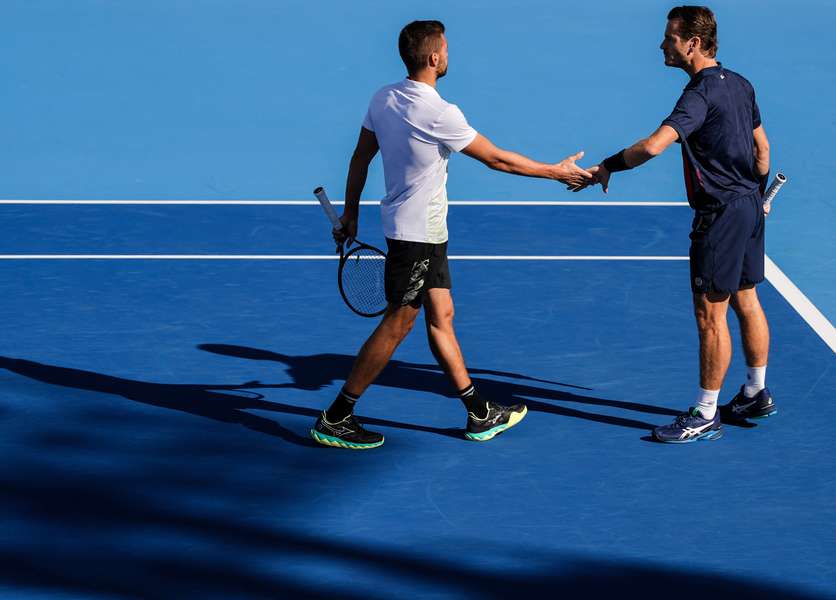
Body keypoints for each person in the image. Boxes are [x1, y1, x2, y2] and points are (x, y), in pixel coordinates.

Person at [311, 19, 593, 449]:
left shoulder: (383, 98)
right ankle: (337, 415)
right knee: (399, 322)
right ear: (434, 58)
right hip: (416, 236)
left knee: (442, 316)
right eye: (445, 47)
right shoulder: (439, 112)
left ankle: (478, 413)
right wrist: (555, 172)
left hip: (424, 232)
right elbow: (498, 160)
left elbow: (360, 158)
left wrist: (351, 213)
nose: (448, 53)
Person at [582, 6, 775, 443]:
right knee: (747, 298)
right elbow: (762, 150)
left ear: (692, 43)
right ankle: (755, 391)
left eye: (669, 37)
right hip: (747, 205)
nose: (662, 44)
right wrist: (755, 197)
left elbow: (653, 147)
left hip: (720, 215)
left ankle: (706, 413)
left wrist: (607, 166)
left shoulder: (698, 95)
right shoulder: (741, 84)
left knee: (711, 316)